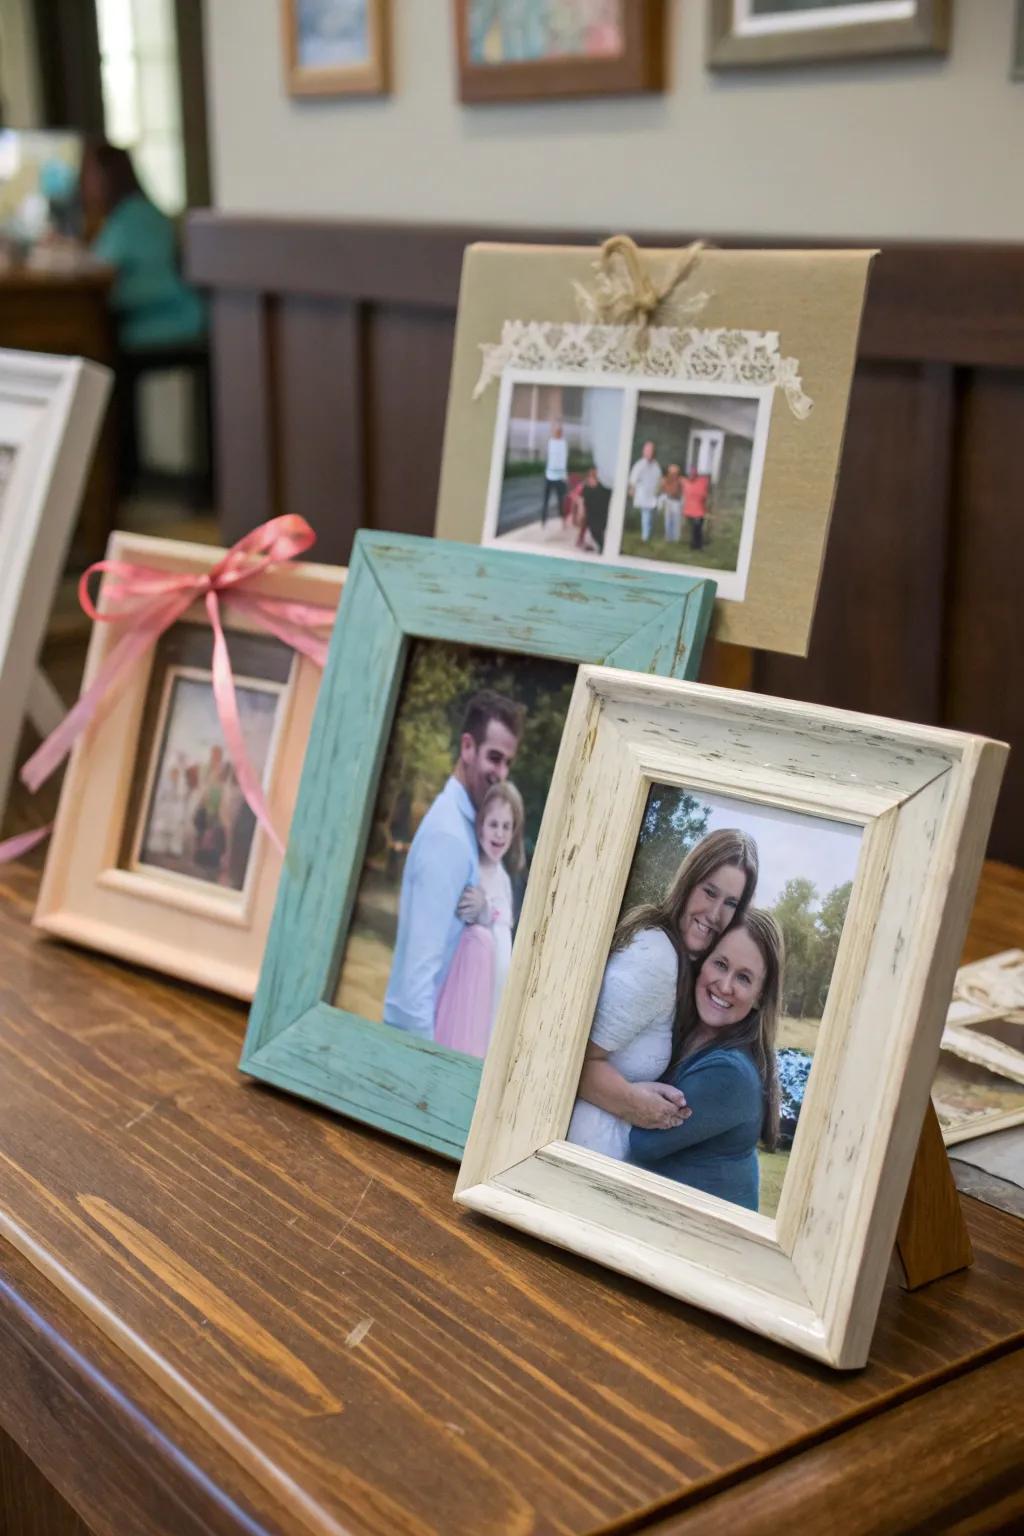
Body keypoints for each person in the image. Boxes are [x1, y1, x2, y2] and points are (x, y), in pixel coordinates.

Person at [566, 829, 759, 1161]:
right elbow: (565, 1059)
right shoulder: (657, 958)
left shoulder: (678, 961)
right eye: (709, 892)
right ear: (687, 883)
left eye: (730, 903)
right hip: (581, 1154)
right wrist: (633, 1103)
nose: (714, 915)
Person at [383, 691, 523, 1041]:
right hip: (420, 1041)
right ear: (467, 747)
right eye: (494, 758)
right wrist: (426, 1066)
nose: (501, 773)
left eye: (508, 763)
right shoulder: (449, 837)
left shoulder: (467, 830)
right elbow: (418, 975)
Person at [629, 910, 783, 1212]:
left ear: (760, 996)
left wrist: (610, 1083)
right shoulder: (683, 1036)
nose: (725, 986)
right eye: (721, 964)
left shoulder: (730, 1073)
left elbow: (644, 1143)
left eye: (743, 977)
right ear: (702, 962)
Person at [79, 138, 205, 350]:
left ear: (108, 177)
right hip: (179, 311)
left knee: (93, 336)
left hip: (161, 316)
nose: (84, 184)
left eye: (90, 175)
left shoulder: (131, 218)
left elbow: (99, 267)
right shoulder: (139, 212)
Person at [435, 781, 525, 1057]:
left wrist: (489, 913)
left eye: (506, 826)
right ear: (480, 826)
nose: (499, 834)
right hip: (466, 994)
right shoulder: (470, 870)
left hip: (494, 996)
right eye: (493, 824)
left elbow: (503, 934)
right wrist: (480, 914)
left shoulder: (505, 880)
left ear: (514, 831)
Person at [628, 440, 663, 544]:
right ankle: (645, 538)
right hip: (642, 494)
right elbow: (633, 479)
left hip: (653, 495)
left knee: (652, 516)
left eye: (651, 451)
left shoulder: (656, 465)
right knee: (646, 516)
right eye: (648, 450)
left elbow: (659, 479)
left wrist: (659, 489)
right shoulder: (639, 465)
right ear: (644, 451)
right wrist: (632, 489)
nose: (650, 453)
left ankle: (650, 535)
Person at [539, 423, 568, 528]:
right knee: (546, 500)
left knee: (561, 501)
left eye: (559, 432)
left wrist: (564, 476)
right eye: (556, 432)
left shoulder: (563, 444)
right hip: (549, 476)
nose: (557, 433)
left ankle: (562, 521)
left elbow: (563, 460)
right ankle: (543, 521)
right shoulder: (551, 442)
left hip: (559, 477)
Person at [578, 465, 612, 553]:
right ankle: (602, 547)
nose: (591, 479)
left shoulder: (603, 488)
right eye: (590, 477)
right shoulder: (586, 489)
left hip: (603, 515)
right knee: (595, 533)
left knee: (600, 532)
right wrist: (581, 512)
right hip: (592, 517)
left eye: (593, 477)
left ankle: (603, 548)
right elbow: (581, 500)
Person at [681, 469, 712, 552]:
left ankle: (697, 545)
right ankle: (694, 545)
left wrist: (707, 508)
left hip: (699, 511)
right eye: (690, 475)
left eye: (693, 475)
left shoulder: (701, 484)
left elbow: (704, 496)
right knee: (693, 529)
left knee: (697, 529)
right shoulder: (686, 483)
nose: (691, 477)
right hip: (689, 511)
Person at [659, 463, 684, 543]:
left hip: (677, 501)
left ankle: (676, 539)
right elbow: (662, 489)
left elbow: (683, 491)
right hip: (668, 500)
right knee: (668, 520)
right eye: (672, 471)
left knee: (676, 521)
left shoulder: (680, 480)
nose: (673, 474)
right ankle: (668, 537)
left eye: (675, 472)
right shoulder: (666, 479)